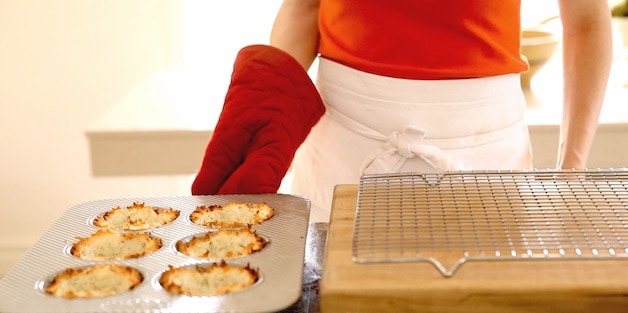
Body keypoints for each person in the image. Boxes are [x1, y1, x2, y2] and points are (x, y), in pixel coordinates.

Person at [192, 0, 612, 223]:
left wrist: (571, 169)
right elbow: (305, 7)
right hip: (344, 144)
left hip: (483, 152)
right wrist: (268, 96)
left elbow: (587, 22)